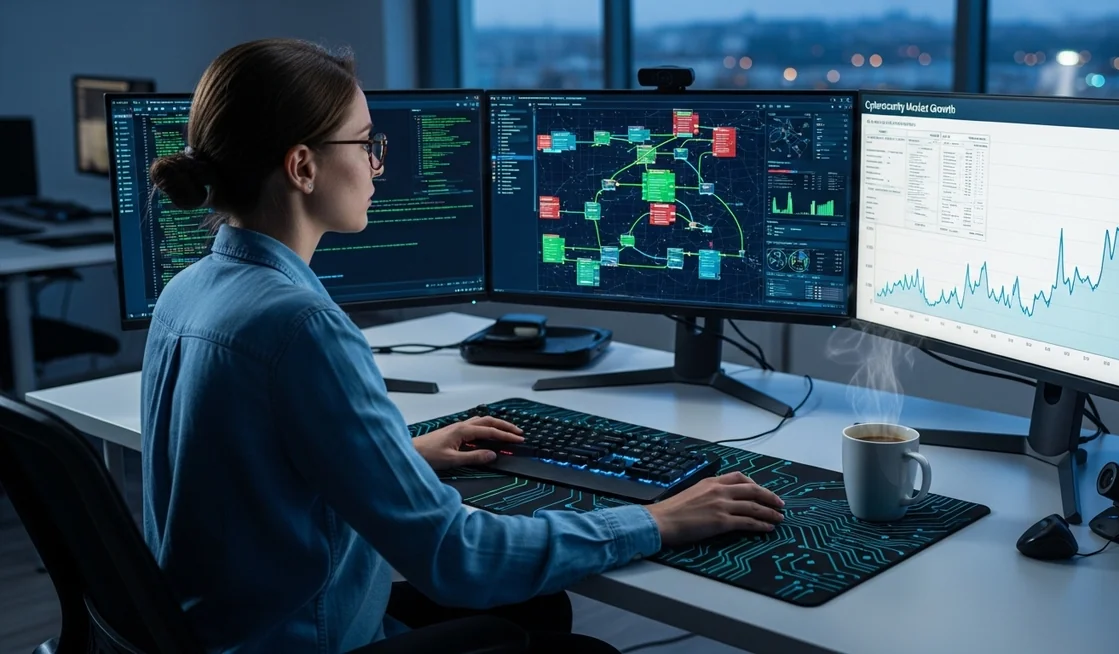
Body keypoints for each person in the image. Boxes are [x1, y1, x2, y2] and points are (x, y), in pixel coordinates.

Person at [142, 38, 785, 654]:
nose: (377, 164)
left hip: (226, 634)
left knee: (539, 611)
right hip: (310, 641)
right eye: (366, 143)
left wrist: (402, 457)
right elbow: (457, 558)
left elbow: (258, 476)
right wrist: (658, 521)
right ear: (303, 167)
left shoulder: (187, 291)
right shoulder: (302, 325)